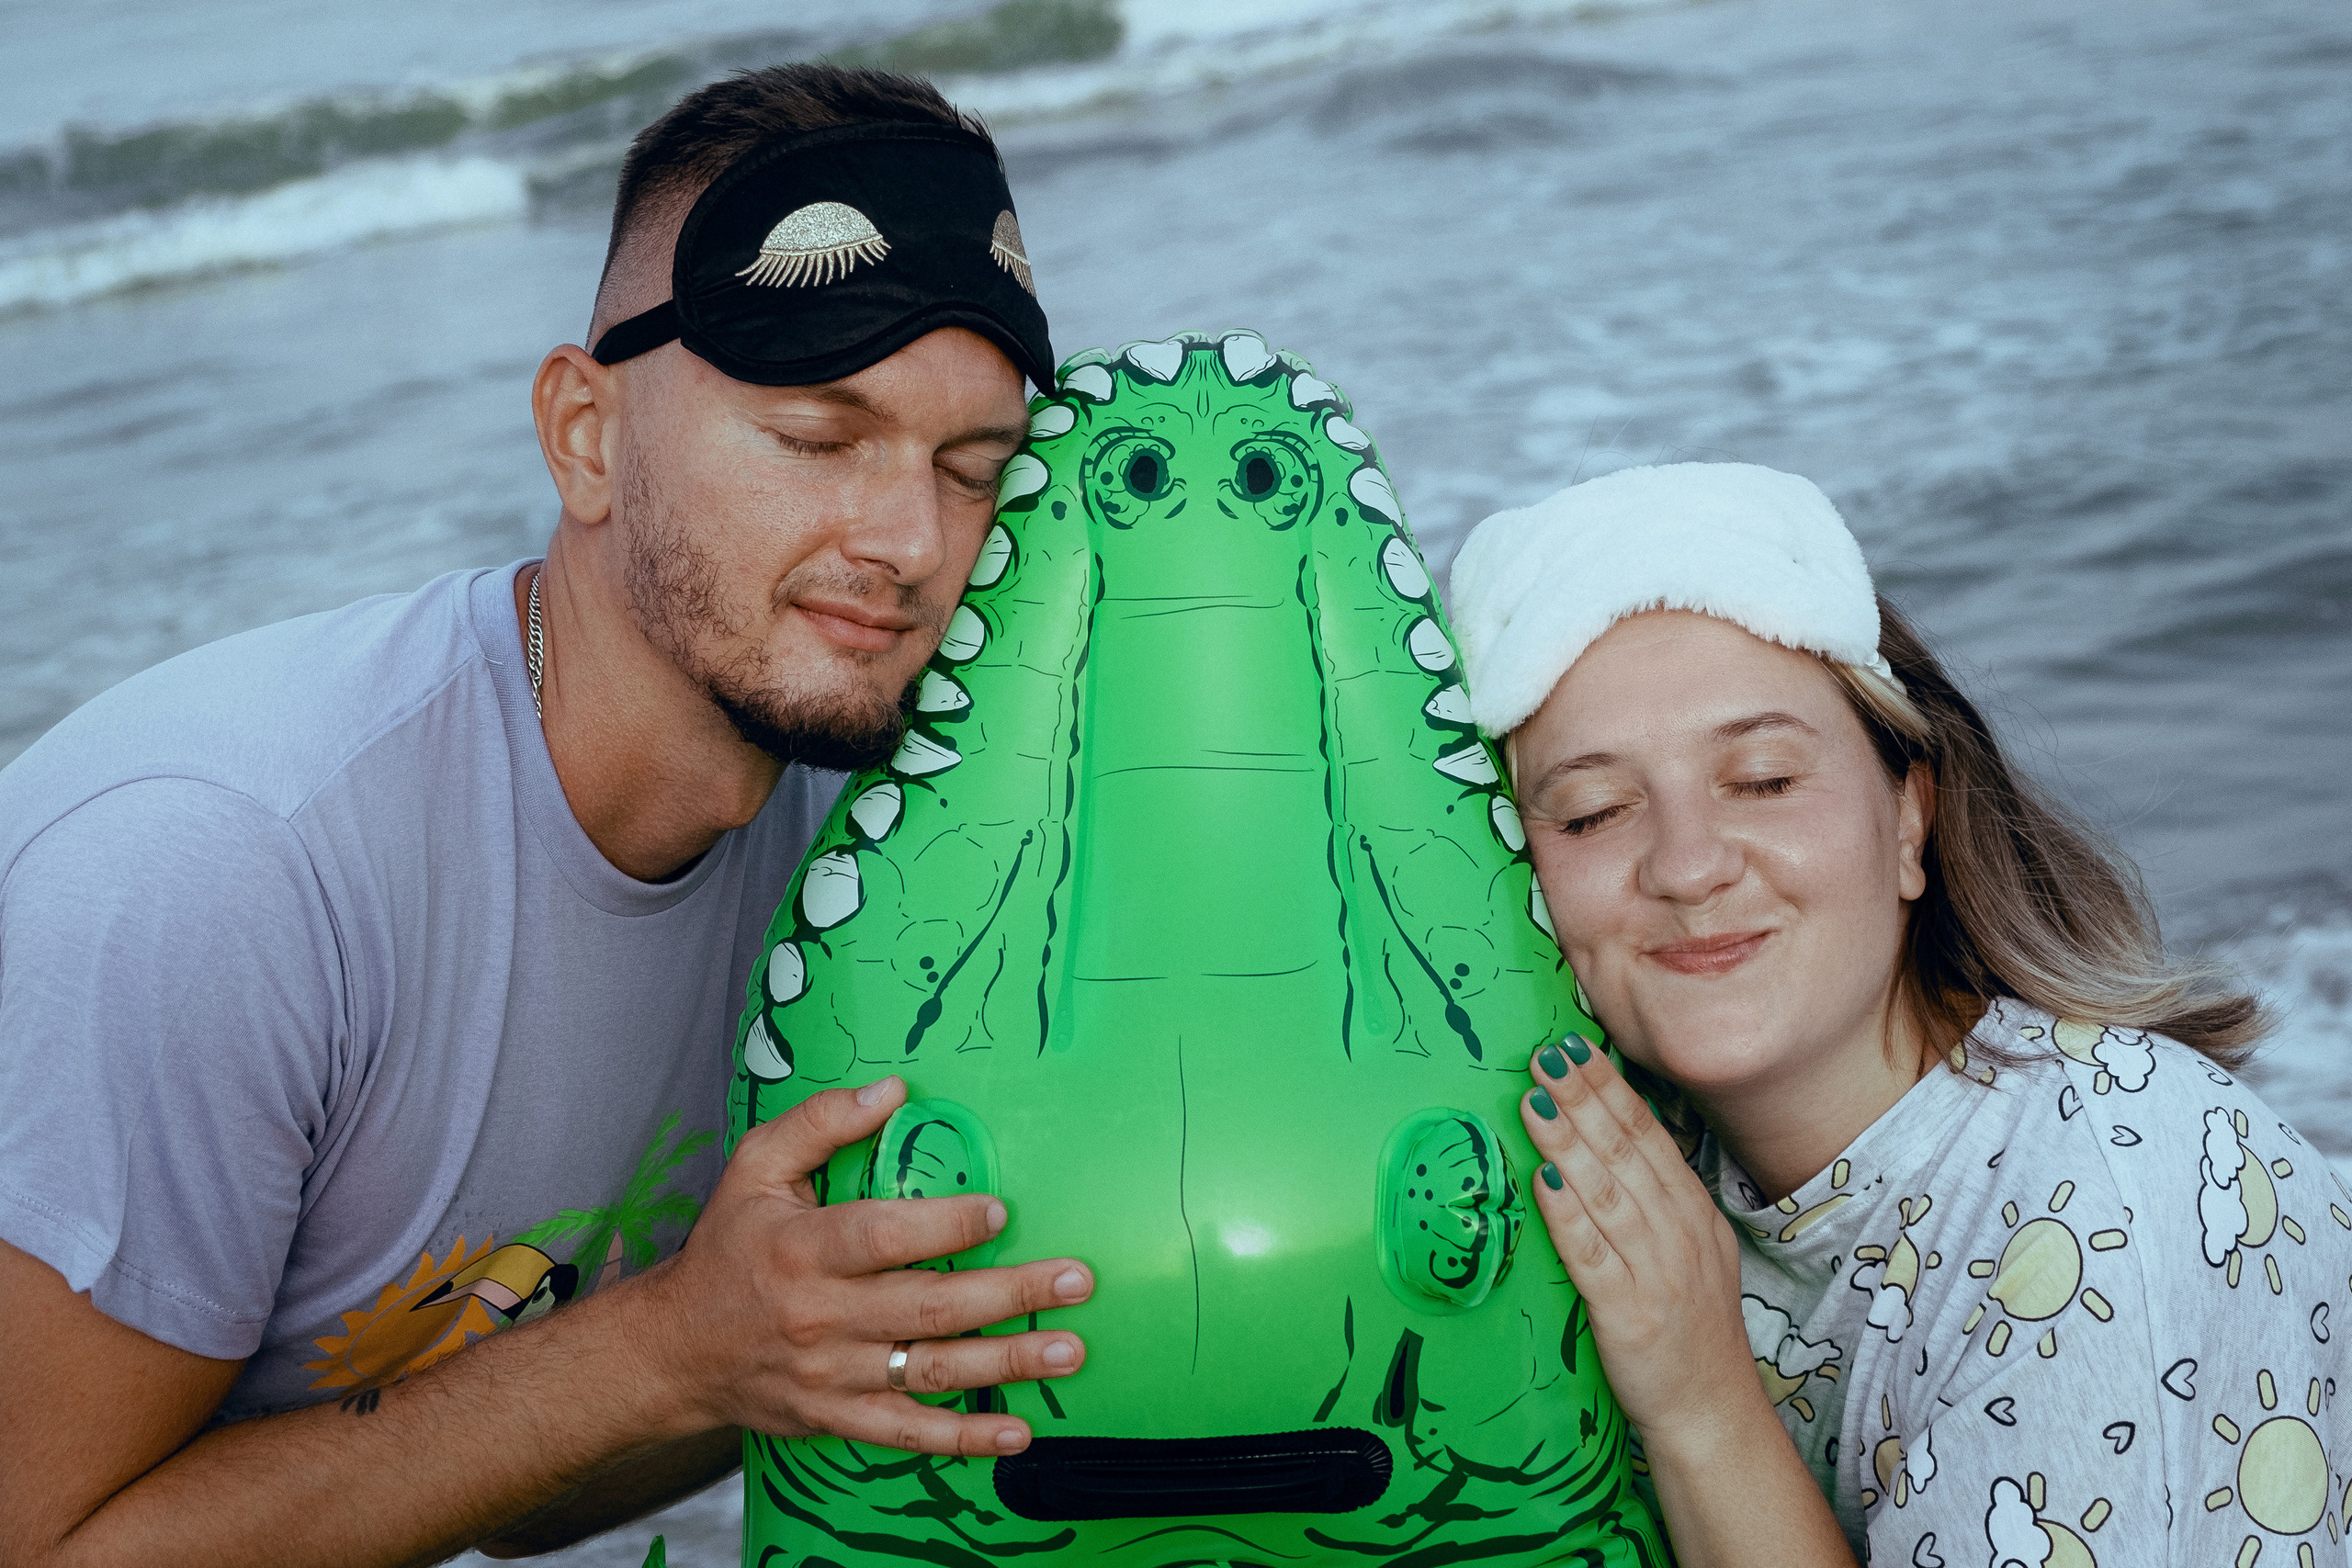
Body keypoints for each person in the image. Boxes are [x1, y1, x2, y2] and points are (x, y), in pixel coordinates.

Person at [0, 65, 1100, 1566]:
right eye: (817, 435)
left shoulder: (903, 835)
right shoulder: (223, 871)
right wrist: (671, 1349)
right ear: (585, 435)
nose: (911, 541)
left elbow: (553, 1452)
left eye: (975, 472)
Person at [1448, 461, 2347, 1567]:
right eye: (1591, 813)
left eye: (1764, 780)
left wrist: (1701, 1404)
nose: (1685, 866)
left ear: (1910, 819)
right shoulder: (1592, 1174)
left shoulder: (2114, 1199)